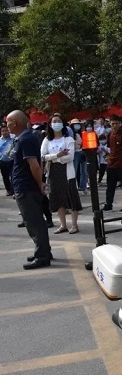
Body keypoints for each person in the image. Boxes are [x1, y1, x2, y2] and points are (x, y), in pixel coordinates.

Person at [6, 110, 53, 270]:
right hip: (25, 185)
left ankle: (43, 256)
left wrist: (39, 184)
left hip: (27, 187)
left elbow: (34, 165)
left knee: (34, 222)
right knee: (35, 221)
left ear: (15, 123)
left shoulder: (26, 139)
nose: (6, 125)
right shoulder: (24, 138)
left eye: (8, 122)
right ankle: (43, 250)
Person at [103, 115, 122, 212]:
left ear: (120, 124)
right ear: (110, 124)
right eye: (112, 123)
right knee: (110, 185)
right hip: (111, 163)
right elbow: (109, 148)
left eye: (116, 123)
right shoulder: (109, 134)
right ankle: (108, 204)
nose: (114, 125)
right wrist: (108, 158)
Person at [69, 119, 88, 194]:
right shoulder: (70, 134)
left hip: (82, 152)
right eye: (75, 124)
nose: (77, 126)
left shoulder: (81, 133)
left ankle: (83, 187)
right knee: (74, 170)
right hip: (75, 153)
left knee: (84, 171)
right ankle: (73, 187)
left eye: (78, 124)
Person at [0, 125, 15, 196]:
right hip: (2, 161)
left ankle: (13, 190)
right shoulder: (0, 140)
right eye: (3, 131)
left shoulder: (13, 140)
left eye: (6, 130)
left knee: (13, 176)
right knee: (5, 177)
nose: (5, 132)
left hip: (12, 161)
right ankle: (8, 190)